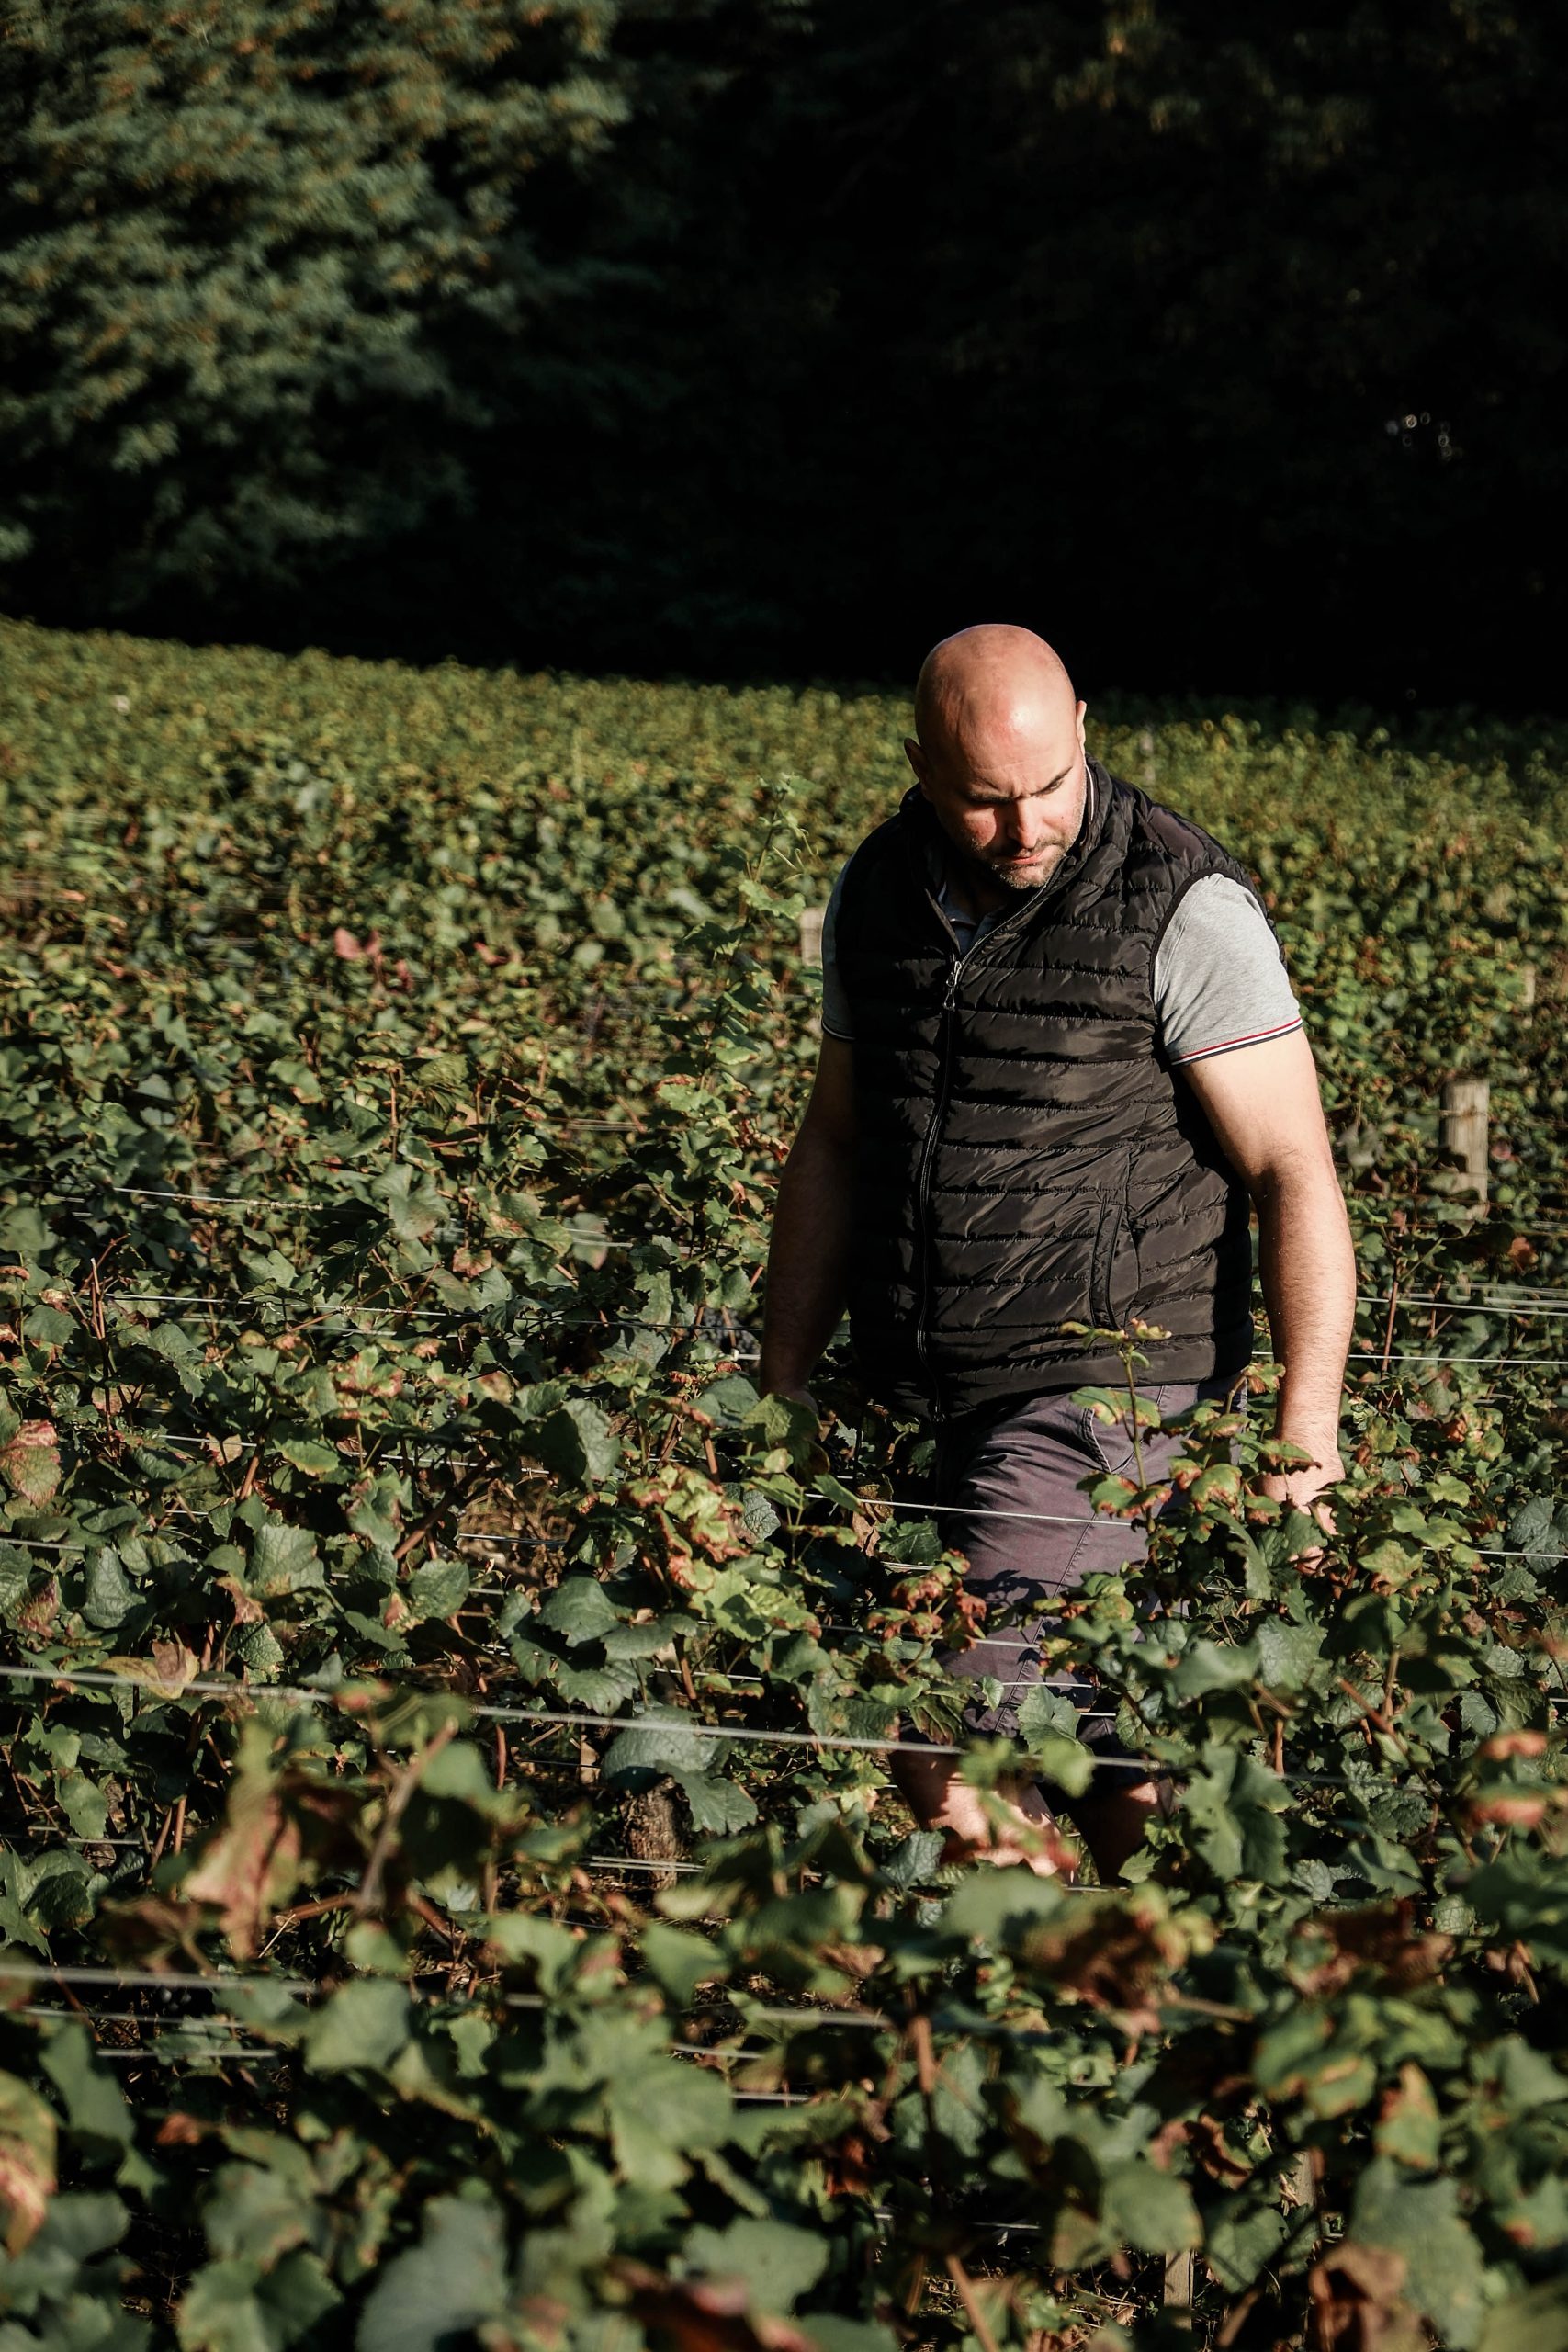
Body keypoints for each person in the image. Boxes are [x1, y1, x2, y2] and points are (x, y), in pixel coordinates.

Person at [758, 624, 1356, 1880]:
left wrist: (1310, 1426)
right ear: (920, 766)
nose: (1026, 826)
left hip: (1104, 1392)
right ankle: (1184, 1974)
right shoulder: (877, 893)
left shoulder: (1182, 906)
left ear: (1084, 730)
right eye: (984, 801)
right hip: (922, 1385)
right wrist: (787, 1378)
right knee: (1100, 1743)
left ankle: (1061, 1971)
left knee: (928, 1715)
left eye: (1047, 786)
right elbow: (833, 1142)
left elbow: (1293, 1167)